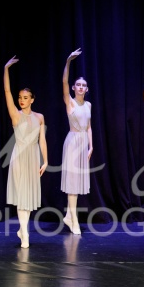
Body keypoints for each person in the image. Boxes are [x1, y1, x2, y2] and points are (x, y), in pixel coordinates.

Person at [3, 56, 48, 248]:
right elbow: (7, 91)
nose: (21, 100)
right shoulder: (15, 114)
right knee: (22, 195)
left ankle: (23, 229)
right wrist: (6, 69)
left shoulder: (40, 117)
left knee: (28, 196)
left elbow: (42, 140)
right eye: (20, 97)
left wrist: (45, 161)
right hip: (19, 156)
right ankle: (26, 233)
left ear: (32, 99)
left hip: (33, 157)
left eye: (25, 98)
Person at [60, 48, 93, 235]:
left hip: (83, 143)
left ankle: (69, 216)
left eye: (83, 85)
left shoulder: (88, 105)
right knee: (72, 182)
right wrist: (68, 62)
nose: (80, 87)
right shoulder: (70, 102)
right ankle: (74, 220)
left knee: (77, 182)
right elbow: (64, 81)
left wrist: (91, 146)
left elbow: (89, 127)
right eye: (78, 85)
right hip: (72, 142)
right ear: (74, 88)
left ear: (86, 89)